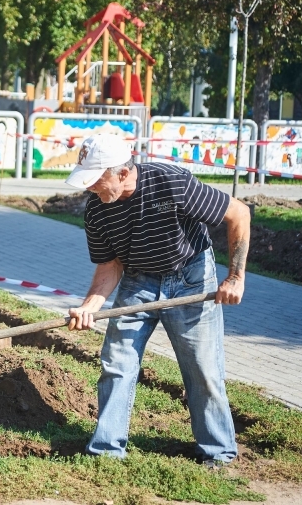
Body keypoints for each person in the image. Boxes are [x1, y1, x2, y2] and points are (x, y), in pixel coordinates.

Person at [65, 133, 250, 468]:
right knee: (116, 362)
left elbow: (238, 213)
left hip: (190, 278)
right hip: (138, 279)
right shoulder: (96, 209)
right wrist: (89, 307)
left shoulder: (170, 184)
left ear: (122, 173)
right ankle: (107, 451)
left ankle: (219, 453)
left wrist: (235, 277)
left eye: (95, 179)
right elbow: (109, 267)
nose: (89, 187)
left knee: (202, 369)